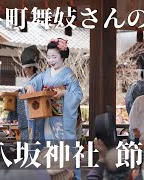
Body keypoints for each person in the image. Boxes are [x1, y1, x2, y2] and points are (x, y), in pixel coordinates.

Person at [25, 38, 83, 179]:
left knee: (64, 150)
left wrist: (64, 93)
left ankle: (69, 176)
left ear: (62, 57)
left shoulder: (69, 76)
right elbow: (29, 84)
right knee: (49, 148)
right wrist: (29, 86)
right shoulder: (45, 75)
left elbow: (77, 95)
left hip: (62, 119)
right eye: (49, 57)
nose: (50, 60)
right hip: (48, 117)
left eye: (54, 57)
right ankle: (51, 176)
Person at [7, 45, 39, 141]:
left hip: (33, 120)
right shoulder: (30, 81)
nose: (24, 71)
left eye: (26, 69)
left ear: (32, 68)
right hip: (25, 121)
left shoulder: (37, 80)